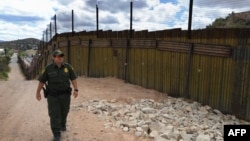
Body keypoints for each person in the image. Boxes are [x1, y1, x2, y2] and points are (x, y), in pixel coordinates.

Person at [35, 49, 78, 141]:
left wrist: (76, 89)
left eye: (61, 56)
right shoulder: (48, 68)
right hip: (53, 96)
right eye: (58, 56)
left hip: (65, 95)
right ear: (53, 58)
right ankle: (56, 134)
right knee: (54, 114)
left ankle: (63, 124)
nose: (60, 58)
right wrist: (38, 92)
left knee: (65, 111)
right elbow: (42, 81)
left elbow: (73, 78)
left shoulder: (68, 67)